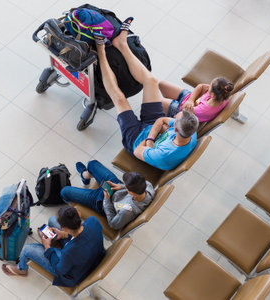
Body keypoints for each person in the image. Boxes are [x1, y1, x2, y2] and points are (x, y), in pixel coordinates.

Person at [94, 18, 199, 171]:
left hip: (136, 140)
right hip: (150, 129)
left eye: (175, 118)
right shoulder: (189, 130)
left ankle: (100, 50)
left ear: (175, 130)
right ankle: (121, 43)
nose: (174, 115)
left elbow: (138, 151)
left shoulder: (163, 155)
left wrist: (150, 138)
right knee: (151, 80)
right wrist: (151, 138)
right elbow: (162, 119)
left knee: (119, 98)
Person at [1, 206, 105, 287]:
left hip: (77, 272)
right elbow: (82, 234)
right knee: (52, 220)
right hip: (92, 254)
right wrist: (64, 234)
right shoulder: (93, 221)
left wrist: (48, 248)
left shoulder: (70, 252)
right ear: (78, 213)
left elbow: (58, 269)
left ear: (64, 228)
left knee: (28, 249)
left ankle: (21, 269)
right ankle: (56, 237)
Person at [61, 160, 155, 230]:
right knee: (92, 164)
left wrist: (106, 200)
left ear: (131, 192)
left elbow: (113, 224)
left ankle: (75, 204)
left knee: (64, 191)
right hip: (116, 188)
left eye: (126, 186)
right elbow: (130, 189)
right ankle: (85, 175)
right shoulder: (147, 185)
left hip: (102, 201)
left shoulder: (127, 211)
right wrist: (121, 186)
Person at [159, 77, 234, 123]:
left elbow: (184, 110)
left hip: (180, 111)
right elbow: (201, 86)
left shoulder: (204, 109)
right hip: (189, 98)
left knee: (157, 102)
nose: (208, 86)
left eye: (210, 86)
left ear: (213, 95)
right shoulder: (222, 95)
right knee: (161, 84)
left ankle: (167, 110)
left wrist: (192, 100)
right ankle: (166, 107)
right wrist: (191, 100)